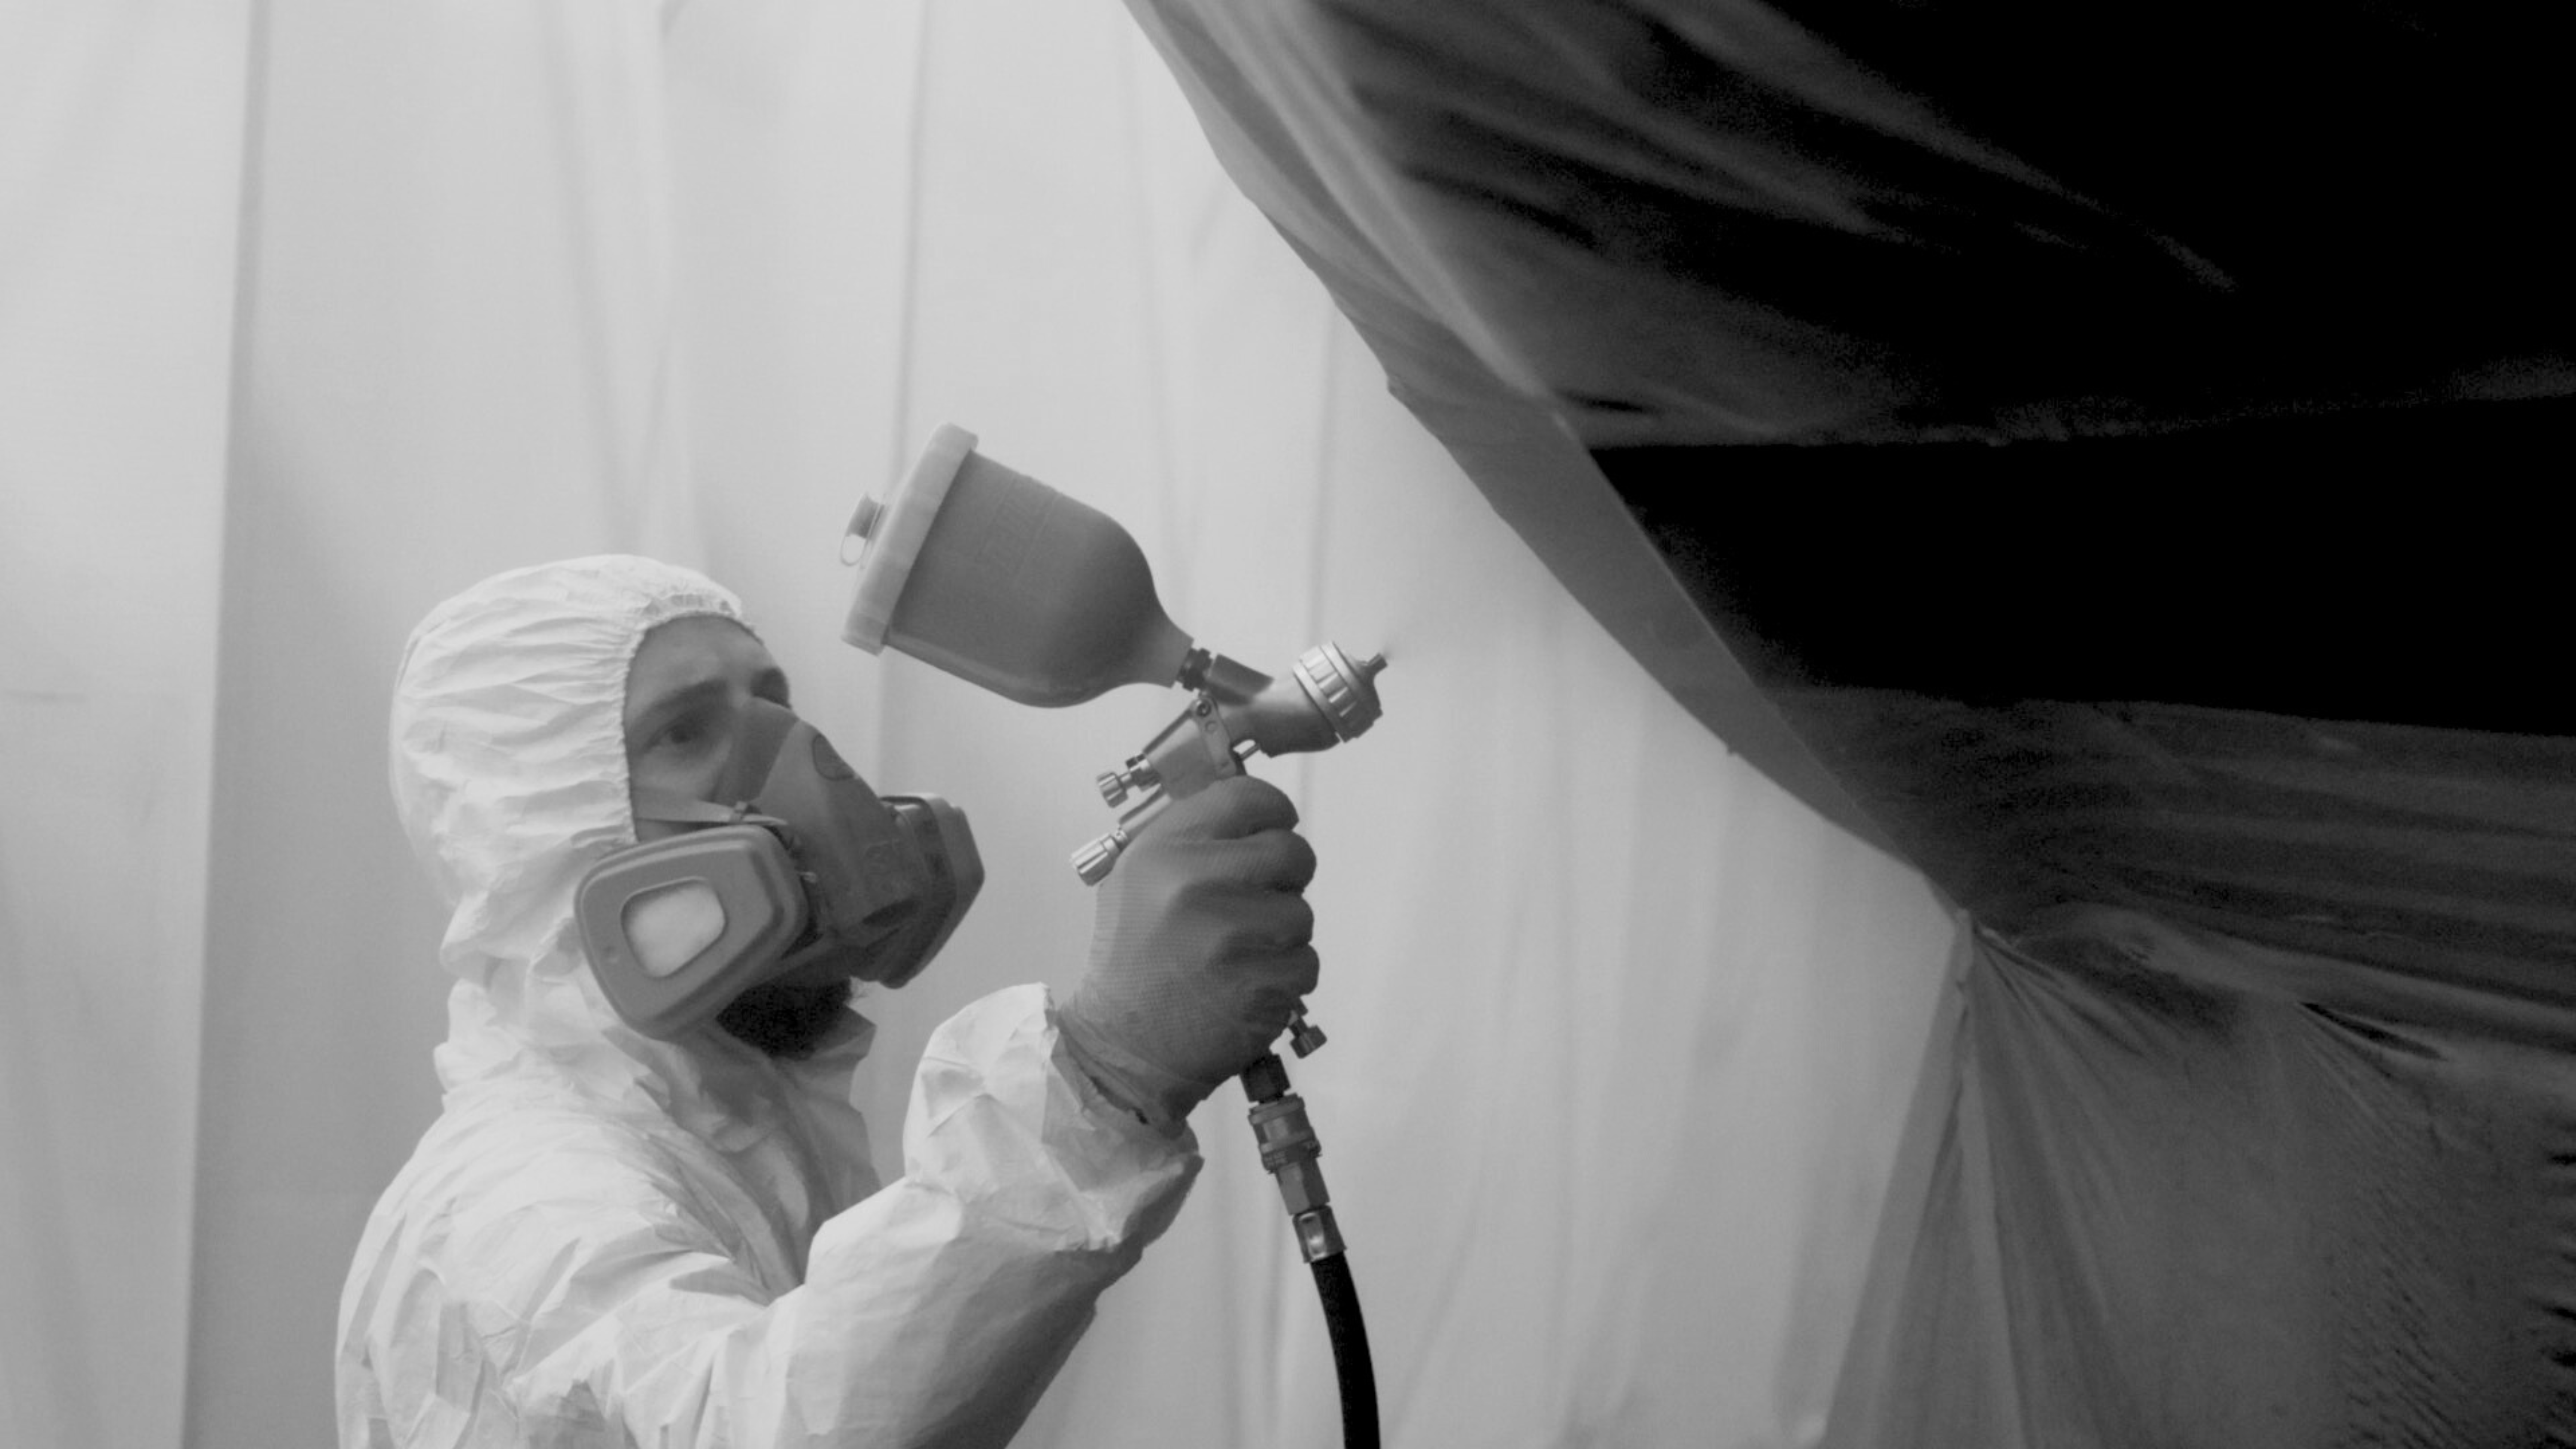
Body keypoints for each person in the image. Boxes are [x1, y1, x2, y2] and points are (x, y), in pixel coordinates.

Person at [337, 555, 1320, 1449]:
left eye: (774, 703)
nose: (795, 762)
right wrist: (1101, 1073)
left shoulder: (718, 1137)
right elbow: (770, 1428)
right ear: (548, 837)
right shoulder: (520, 1206)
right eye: (686, 731)